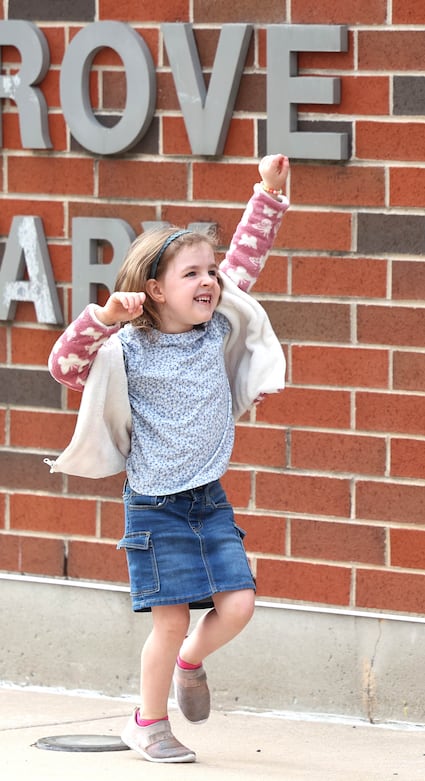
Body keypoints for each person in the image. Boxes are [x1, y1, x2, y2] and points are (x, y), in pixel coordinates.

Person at [46, 154, 290, 763]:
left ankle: (190, 664)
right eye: (193, 274)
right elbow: (64, 367)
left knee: (240, 605)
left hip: (207, 498)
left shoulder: (215, 330)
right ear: (155, 289)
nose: (210, 281)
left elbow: (246, 262)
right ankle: (147, 722)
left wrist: (268, 193)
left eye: (211, 272)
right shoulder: (126, 346)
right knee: (169, 620)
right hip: (154, 504)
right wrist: (104, 317)